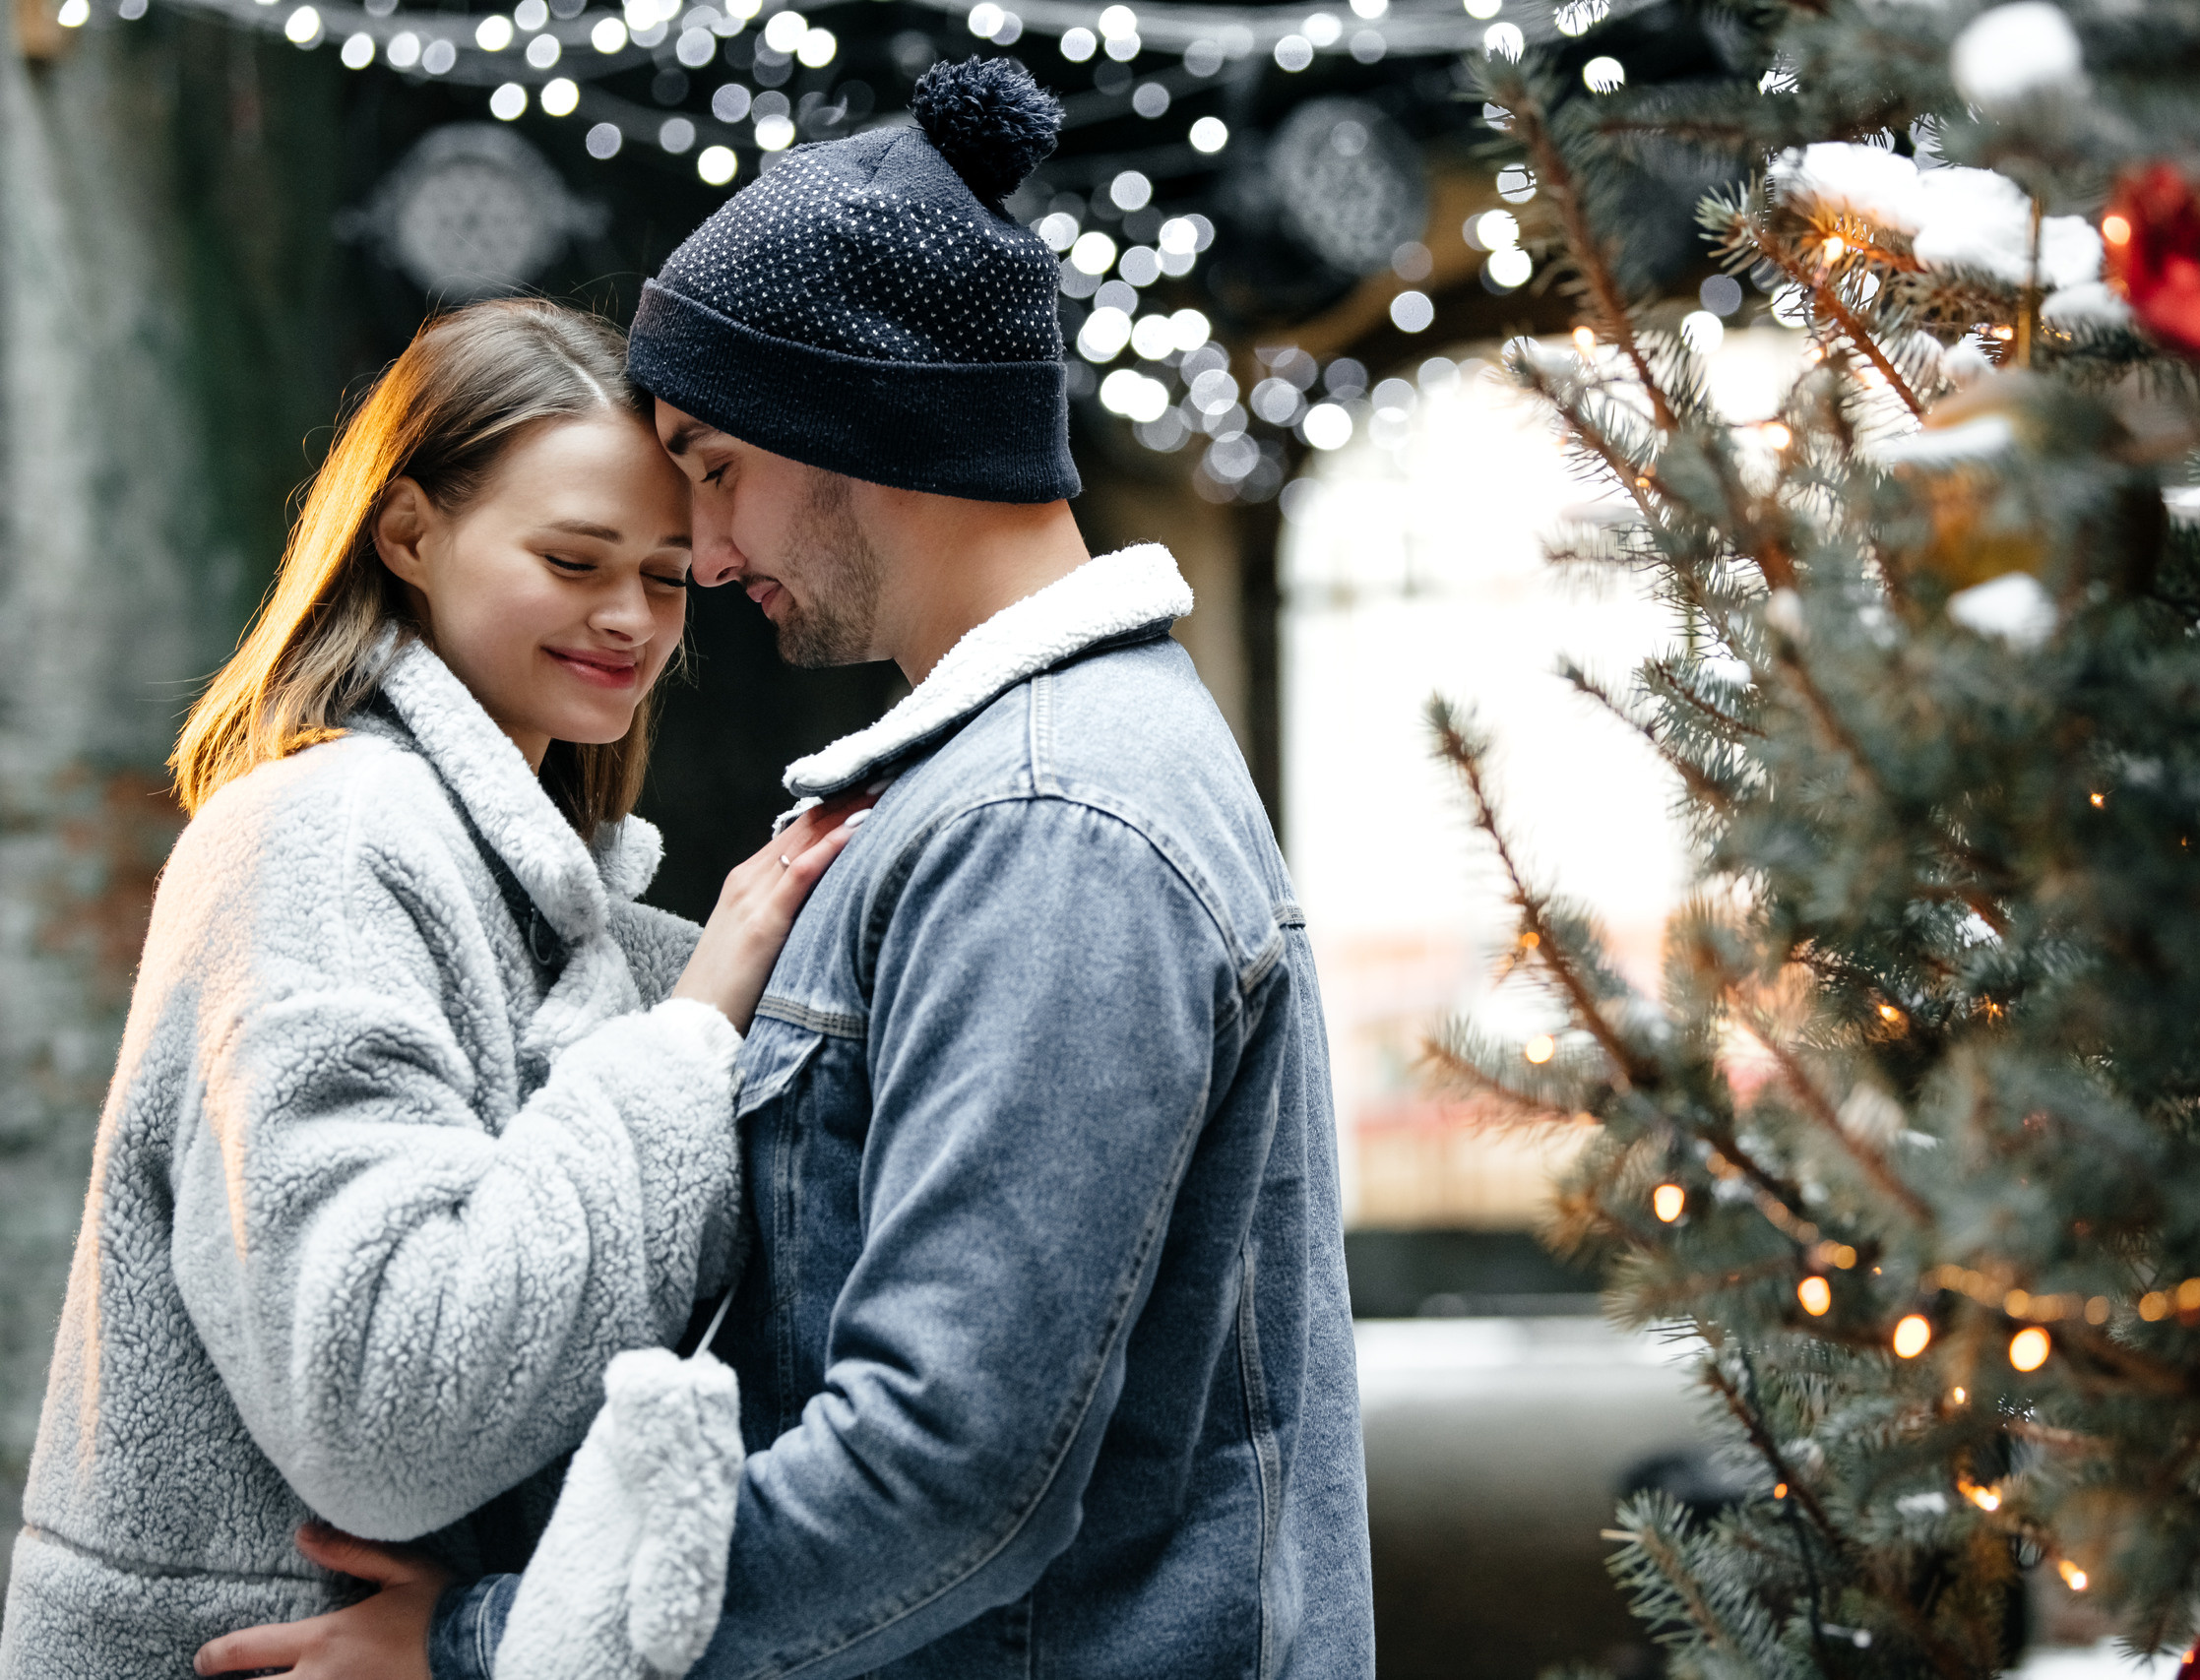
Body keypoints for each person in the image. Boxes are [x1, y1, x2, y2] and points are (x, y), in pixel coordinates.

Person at [204, 54, 1374, 1680]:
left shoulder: (1045, 819)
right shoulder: (1003, 785)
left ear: (859, 426)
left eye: (713, 466)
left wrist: (479, 1647)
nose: (714, 553)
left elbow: (942, 1469)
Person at [0, 299, 855, 1680]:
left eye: (666, 575)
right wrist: (693, 1031)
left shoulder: (544, 898)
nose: (629, 619)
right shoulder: (328, 839)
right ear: (408, 534)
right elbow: (387, 1410)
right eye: (574, 559)